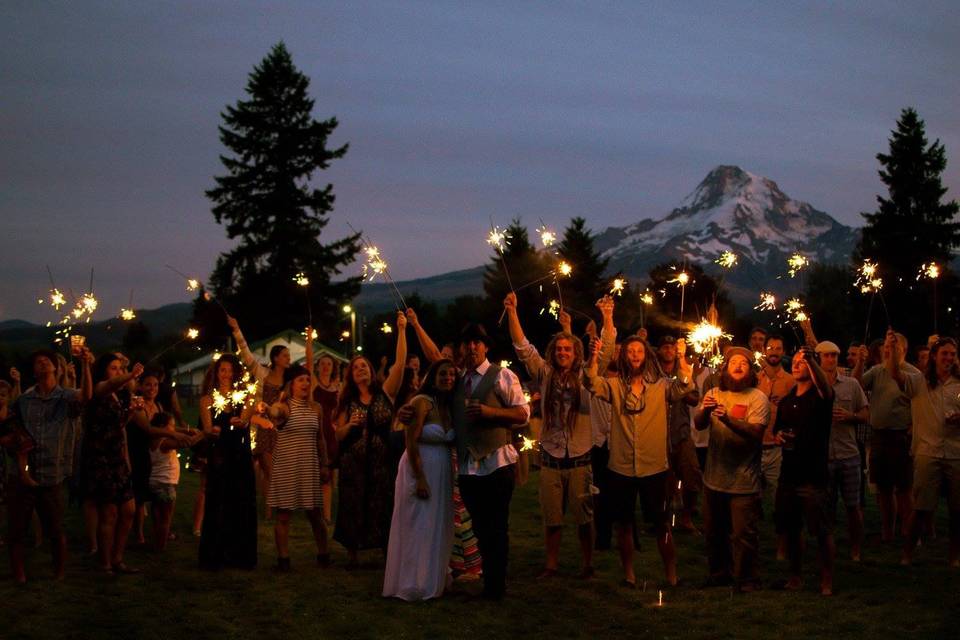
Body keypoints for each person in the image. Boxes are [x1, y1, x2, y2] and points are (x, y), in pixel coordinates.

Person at [584, 296, 692, 588]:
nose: (633, 355)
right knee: (624, 524)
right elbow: (591, 383)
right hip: (620, 468)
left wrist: (682, 357)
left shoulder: (660, 388)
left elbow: (684, 386)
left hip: (654, 467)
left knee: (661, 525)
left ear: (646, 355)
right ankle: (629, 574)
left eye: (638, 350)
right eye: (629, 351)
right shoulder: (613, 386)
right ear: (624, 356)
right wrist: (594, 356)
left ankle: (671, 574)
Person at [505, 292, 595, 579]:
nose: (563, 353)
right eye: (559, 350)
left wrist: (602, 320)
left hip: (581, 457)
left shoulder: (585, 377)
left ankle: (588, 564)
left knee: (585, 517)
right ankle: (552, 564)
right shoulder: (544, 374)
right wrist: (512, 312)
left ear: (575, 353)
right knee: (552, 518)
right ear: (553, 354)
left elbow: (600, 358)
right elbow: (523, 348)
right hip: (552, 457)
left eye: (568, 350)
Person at [451, 320, 530, 600]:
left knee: (497, 526)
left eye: (477, 342)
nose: (472, 348)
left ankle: (496, 586)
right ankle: (489, 580)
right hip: (468, 467)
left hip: (497, 463)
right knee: (481, 527)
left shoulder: (502, 376)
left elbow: (523, 414)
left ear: (485, 347)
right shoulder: (457, 380)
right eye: (467, 343)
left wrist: (489, 412)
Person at [4, 348, 92, 583]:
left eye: (47, 361)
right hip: (23, 472)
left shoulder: (67, 397)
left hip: (52, 474)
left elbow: (86, 396)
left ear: (56, 367)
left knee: (54, 528)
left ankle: (59, 571)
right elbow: (7, 422)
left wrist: (86, 366)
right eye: (38, 362)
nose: (42, 363)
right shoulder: (24, 400)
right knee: (17, 528)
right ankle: (19, 573)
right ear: (33, 371)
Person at [334, 312, 407, 568]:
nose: (360, 369)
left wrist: (402, 330)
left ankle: (388, 552)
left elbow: (400, 362)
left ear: (371, 370)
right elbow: (338, 434)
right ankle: (352, 553)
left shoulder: (385, 392)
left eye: (364, 365)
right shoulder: (347, 401)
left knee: (383, 505)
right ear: (351, 375)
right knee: (353, 506)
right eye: (355, 367)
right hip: (353, 464)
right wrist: (349, 426)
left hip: (382, 462)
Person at [694, 346, 768, 591]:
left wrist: (727, 419)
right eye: (734, 362)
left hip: (743, 482)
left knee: (742, 534)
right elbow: (700, 424)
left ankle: (747, 579)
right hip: (713, 478)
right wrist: (704, 410)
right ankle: (719, 573)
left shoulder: (757, 397)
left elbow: (755, 433)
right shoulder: (714, 391)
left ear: (750, 371)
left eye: (744, 364)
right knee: (714, 532)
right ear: (724, 368)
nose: (738, 366)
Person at [383, 358, 458, 600]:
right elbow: (411, 442)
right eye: (443, 375)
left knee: (438, 524)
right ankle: (413, 582)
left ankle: (433, 578)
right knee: (418, 525)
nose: (448, 379)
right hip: (421, 468)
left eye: (452, 375)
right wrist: (420, 478)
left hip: (443, 471)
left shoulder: (449, 406)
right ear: (432, 377)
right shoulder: (421, 402)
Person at [772, 347, 836, 596]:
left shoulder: (821, 396)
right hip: (789, 473)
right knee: (790, 528)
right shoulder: (788, 399)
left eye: (803, 362)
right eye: (796, 361)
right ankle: (795, 576)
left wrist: (811, 360)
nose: (798, 364)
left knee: (821, 530)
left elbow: (826, 387)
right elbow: (778, 429)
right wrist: (779, 436)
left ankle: (827, 580)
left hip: (813, 475)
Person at [893, 335, 960, 566]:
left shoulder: (959, 383)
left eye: (952, 354)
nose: (949, 358)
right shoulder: (919, 381)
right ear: (934, 356)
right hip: (927, 452)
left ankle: (954, 556)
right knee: (921, 508)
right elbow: (896, 375)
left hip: (955, 452)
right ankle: (908, 553)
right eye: (945, 354)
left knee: (957, 510)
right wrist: (893, 351)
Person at [81, 352, 149, 574]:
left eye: (121, 368)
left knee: (128, 510)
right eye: (114, 367)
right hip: (100, 459)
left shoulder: (117, 397)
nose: (119, 372)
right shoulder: (100, 389)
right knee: (109, 512)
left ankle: (118, 558)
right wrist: (131, 374)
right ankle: (105, 562)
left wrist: (130, 412)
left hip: (117, 458)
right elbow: (110, 384)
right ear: (104, 371)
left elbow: (118, 426)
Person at [854, 331, 919, 542]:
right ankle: (887, 532)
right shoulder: (877, 371)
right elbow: (856, 385)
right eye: (887, 348)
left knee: (904, 489)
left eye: (894, 348)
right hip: (879, 436)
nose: (888, 352)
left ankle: (909, 532)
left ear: (904, 350)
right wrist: (860, 362)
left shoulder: (913, 374)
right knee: (883, 489)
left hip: (901, 438)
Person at [267, 363, 331, 571]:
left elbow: (320, 438)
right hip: (287, 466)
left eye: (307, 379)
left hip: (309, 466)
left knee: (315, 514)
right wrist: (274, 406)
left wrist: (325, 464)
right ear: (291, 385)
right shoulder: (286, 406)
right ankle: (283, 559)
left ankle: (324, 554)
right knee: (284, 514)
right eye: (300, 380)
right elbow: (275, 413)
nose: (305, 383)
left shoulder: (316, 408)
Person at [198, 354, 258, 570]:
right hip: (220, 455)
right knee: (219, 501)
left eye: (230, 370)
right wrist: (212, 431)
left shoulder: (245, 397)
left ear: (236, 373)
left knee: (240, 500)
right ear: (217, 373)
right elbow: (206, 429)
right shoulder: (207, 400)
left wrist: (241, 421)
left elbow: (246, 417)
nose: (227, 374)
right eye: (223, 370)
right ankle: (215, 554)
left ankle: (240, 554)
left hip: (240, 455)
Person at [227, 315, 289, 519]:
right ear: (276, 358)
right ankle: (252, 506)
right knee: (252, 468)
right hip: (257, 426)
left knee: (271, 471)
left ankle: (269, 510)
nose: (288, 359)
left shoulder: (288, 381)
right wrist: (237, 330)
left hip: (276, 429)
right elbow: (246, 354)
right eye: (285, 356)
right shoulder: (262, 374)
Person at [816, 341, 869, 562]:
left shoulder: (851, 384)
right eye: (827, 356)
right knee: (826, 508)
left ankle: (855, 548)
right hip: (823, 456)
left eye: (835, 355)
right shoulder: (812, 385)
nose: (831, 359)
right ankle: (827, 549)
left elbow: (866, 414)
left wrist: (850, 417)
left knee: (853, 506)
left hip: (849, 455)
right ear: (819, 358)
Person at [657, 335, 702, 533]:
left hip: (682, 431)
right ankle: (664, 520)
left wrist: (679, 391)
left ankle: (686, 518)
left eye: (671, 347)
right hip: (657, 434)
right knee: (662, 481)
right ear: (659, 350)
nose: (668, 350)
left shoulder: (684, 370)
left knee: (691, 475)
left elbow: (694, 398)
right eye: (665, 347)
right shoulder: (653, 371)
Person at [757, 333, 795, 558]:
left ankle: (782, 546)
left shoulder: (791, 381)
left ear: (783, 352)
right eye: (770, 348)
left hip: (777, 449)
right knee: (751, 501)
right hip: (754, 448)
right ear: (765, 351)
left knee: (781, 501)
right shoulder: (754, 378)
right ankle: (753, 544)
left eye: (778, 348)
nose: (773, 351)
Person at [148, 412, 202, 551]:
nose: (174, 429)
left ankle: (156, 540)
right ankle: (161, 547)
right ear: (162, 427)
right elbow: (187, 443)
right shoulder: (164, 442)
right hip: (165, 485)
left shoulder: (152, 439)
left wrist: (186, 431)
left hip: (153, 482)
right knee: (165, 518)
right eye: (171, 426)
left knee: (157, 516)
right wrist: (205, 434)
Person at [313, 353, 341, 525]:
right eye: (322, 364)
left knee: (328, 474)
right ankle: (315, 512)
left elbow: (340, 409)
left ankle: (327, 515)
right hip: (316, 431)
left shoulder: (337, 387)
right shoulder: (314, 384)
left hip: (330, 434)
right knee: (314, 473)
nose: (325, 367)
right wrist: (309, 341)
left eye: (329, 364)